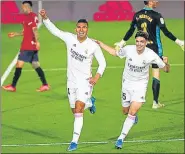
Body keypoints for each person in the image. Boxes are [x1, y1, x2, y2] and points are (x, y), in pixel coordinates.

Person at [39, 9, 106, 151]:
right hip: (71, 81)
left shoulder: (93, 46)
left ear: (87, 29)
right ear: (76, 29)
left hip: (85, 82)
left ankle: (74, 141)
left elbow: (103, 63)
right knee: (74, 110)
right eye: (79, 27)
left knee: (78, 110)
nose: (81, 30)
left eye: (84, 27)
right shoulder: (70, 38)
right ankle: (90, 102)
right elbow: (55, 31)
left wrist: (96, 77)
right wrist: (45, 18)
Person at [95, 30, 170, 149]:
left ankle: (120, 139)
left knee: (132, 112)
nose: (139, 44)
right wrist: (100, 44)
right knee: (125, 111)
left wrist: (167, 63)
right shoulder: (128, 49)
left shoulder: (151, 55)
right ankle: (132, 117)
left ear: (146, 43)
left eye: (142, 41)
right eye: (137, 41)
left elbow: (166, 69)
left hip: (140, 86)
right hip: (127, 84)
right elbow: (114, 53)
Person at [114, 0, 184, 109]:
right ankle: (155, 102)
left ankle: (133, 98)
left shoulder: (137, 15)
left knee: (139, 73)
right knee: (156, 73)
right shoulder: (156, 16)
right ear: (150, 2)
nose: (158, 2)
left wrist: (122, 42)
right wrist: (179, 42)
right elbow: (165, 32)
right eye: (156, 0)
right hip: (154, 48)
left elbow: (131, 30)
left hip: (141, 48)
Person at [2, 1, 49, 92]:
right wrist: (16, 34)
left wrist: (37, 41)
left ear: (27, 7)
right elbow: (26, 31)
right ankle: (45, 85)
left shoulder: (31, 17)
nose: (22, 9)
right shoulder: (27, 17)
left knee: (19, 64)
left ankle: (13, 86)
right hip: (30, 46)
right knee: (36, 65)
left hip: (28, 46)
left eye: (23, 7)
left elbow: (35, 30)